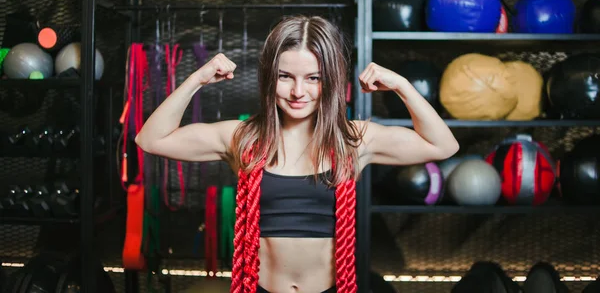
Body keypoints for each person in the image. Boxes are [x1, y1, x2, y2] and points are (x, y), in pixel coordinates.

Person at [135, 15, 459, 293]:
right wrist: (196, 79)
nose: (298, 92)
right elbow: (151, 139)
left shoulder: (353, 140)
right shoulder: (244, 139)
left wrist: (402, 85)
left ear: (330, 80)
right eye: (285, 76)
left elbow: (442, 145)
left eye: (313, 78)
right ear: (268, 77)